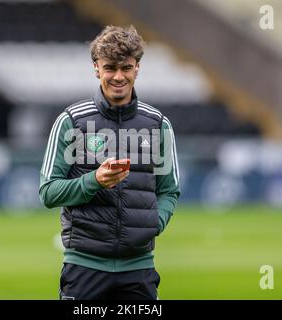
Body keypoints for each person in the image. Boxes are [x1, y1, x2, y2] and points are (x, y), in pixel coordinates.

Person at [39, 25, 180, 300]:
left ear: (137, 68)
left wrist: (154, 223)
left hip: (139, 268)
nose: (118, 76)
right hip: (84, 267)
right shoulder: (72, 122)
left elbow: (169, 190)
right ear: (96, 68)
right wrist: (94, 181)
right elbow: (48, 191)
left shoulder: (158, 125)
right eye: (110, 68)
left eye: (126, 68)